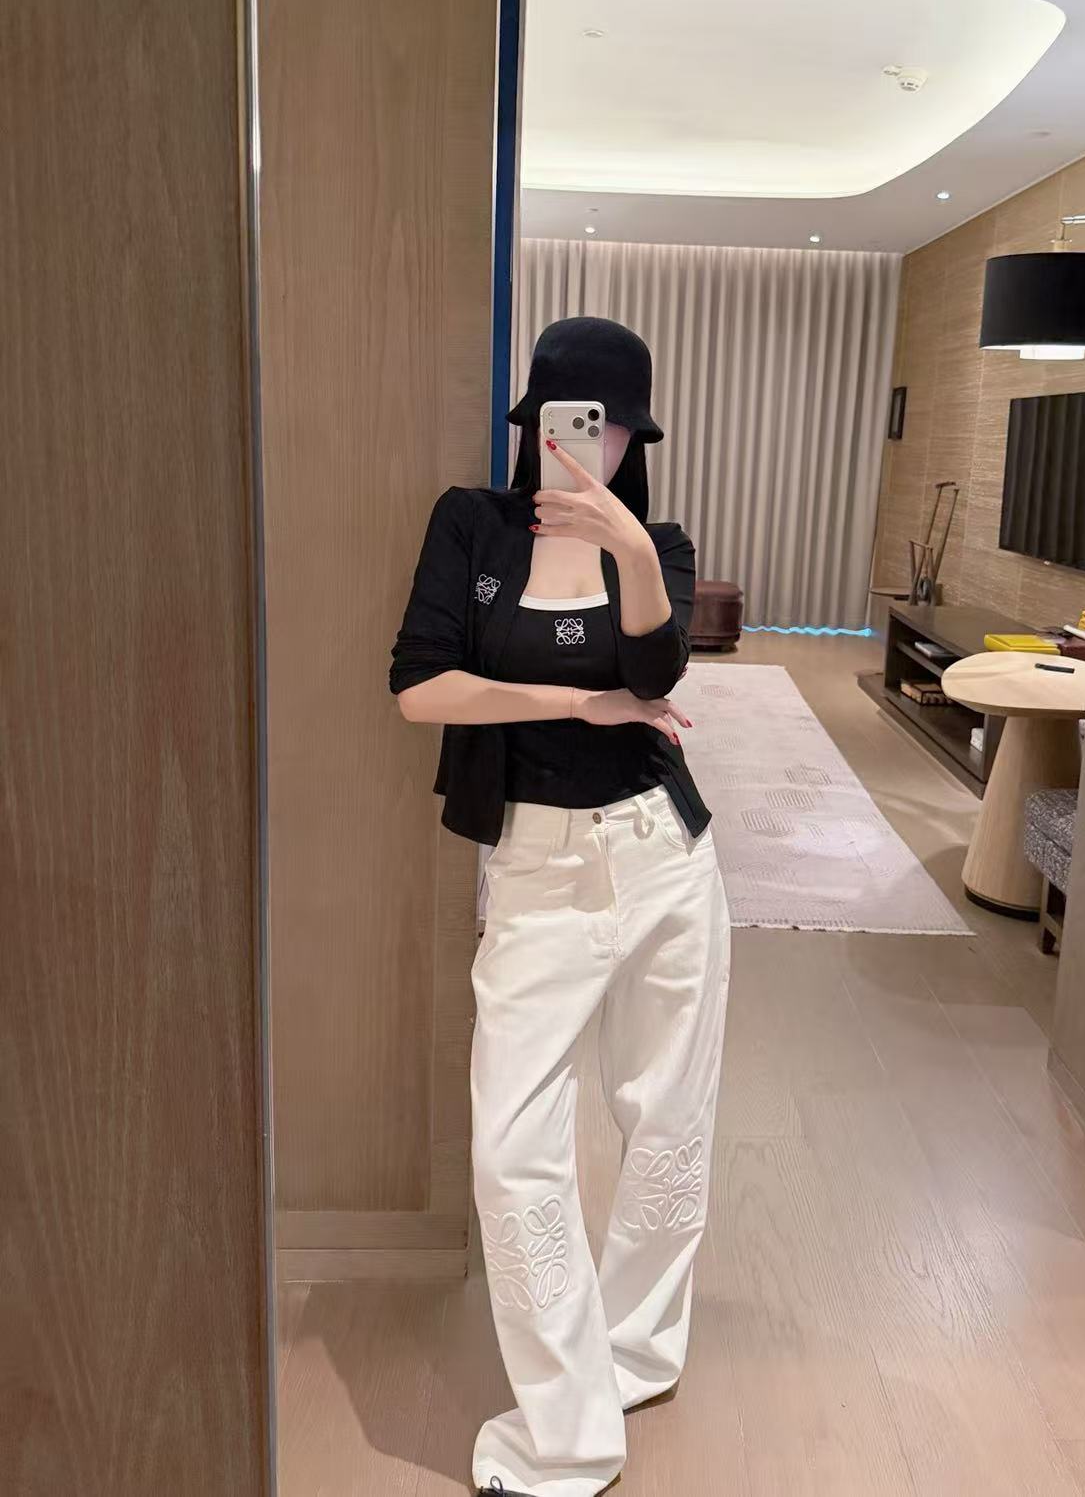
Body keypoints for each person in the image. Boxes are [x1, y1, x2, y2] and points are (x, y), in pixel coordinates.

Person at [389, 316, 732, 1497]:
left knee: (666, 1120)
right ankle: (566, 1437)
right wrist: (569, 705)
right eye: (568, 420)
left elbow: (655, 674)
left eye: (613, 425)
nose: (588, 443)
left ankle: (633, 1352)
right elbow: (418, 687)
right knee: (511, 1151)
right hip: (536, 866)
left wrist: (627, 549)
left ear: (636, 437)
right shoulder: (470, 525)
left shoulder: (658, 543)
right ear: (532, 421)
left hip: (663, 856)